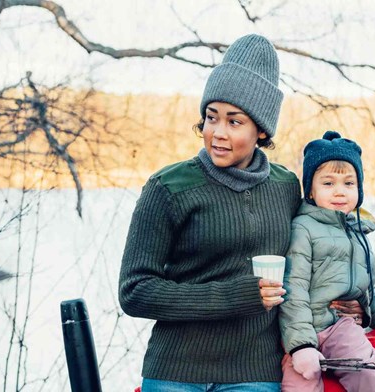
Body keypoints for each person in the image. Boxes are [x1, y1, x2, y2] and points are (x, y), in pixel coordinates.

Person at [118, 34, 301, 392]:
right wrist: (233, 297)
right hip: (175, 372)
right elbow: (135, 291)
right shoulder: (169, 187)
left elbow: (312, 261)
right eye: (211, 117)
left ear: (261, 129)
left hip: (254, 373)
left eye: (234, 122)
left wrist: (349, 300)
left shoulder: (286, 188)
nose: (216, 132)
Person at [279, 131, 375, 392]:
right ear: (311, 192)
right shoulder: (303, 229)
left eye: (349, 184)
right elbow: (294, 290)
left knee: (373, 379)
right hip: (306, 331)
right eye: (328, 184)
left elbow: (368, 294)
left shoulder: (358, 234)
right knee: (298, 385)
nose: (340, 192)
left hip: (341, 331)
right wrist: (301, 345)